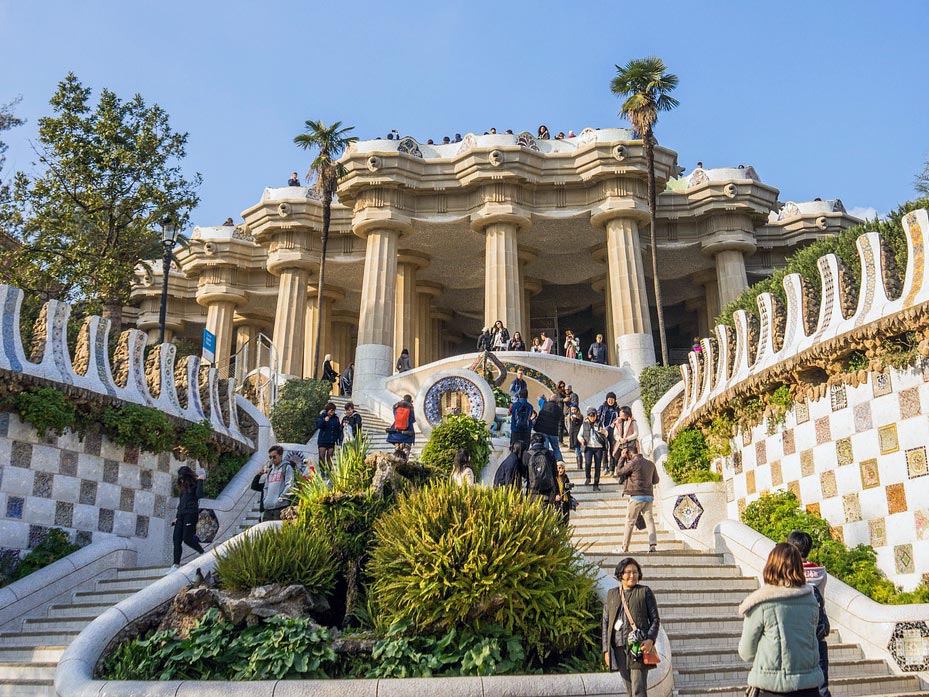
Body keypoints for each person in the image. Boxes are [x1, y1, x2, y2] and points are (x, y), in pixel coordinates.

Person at [739, 543, 824, 697]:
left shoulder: (762, 603)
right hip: (809, 687)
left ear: (771, 566)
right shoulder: (811, 600)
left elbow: (746, 652)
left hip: (772, 688)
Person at [602, 557, 661, 696]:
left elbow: (655, 619)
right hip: (619, 647)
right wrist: (606, 650)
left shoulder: (644, 592)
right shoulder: (612, 594)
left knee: (638, 689)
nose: (632, 576)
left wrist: (650, 639)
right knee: (629, 690)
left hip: (638, 648)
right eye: (628, 572)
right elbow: (605, 623)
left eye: (635, 572)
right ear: (620, 574)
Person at [787, 531, 832, 697]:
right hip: (817, 634)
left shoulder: (790, 573)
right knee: (821, 687)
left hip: (797, 635)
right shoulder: (821, 573)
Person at [616, 443, 659, 553]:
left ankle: (624, 547)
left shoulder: (632, 463)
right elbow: (656, 480)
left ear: (629, 453)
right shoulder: (650, 464)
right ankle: (652, 545)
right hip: (648, 496)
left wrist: (621, 457)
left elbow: (619, 472)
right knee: (649, 520)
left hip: (636, 496)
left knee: (630, 522)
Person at [171, 465, 205, 570]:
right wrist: (176, 517)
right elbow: (181, 503)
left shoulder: (195, 484)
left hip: (191, 514)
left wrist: (200, 481)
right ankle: (175, 564)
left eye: (183, 478)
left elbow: (199, 495)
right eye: (180, 478)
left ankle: (203, 553)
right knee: (176, 539)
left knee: (187, 538)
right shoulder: (183, 488)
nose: (181, 480)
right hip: (181, 515)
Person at [250, 445, 296, 521]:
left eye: (274, 457)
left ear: (280, 456)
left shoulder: (287, 467)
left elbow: (290, 484)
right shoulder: (270, 470)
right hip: (268, 508)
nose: (272, 459)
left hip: (281, 507)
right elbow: (265, 487)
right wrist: (265, 500)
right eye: (270, 457)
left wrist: (281, 499)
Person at [523, 433, 557, 501]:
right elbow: (554, 472)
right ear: (544, 442)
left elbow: (524, 473)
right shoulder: (550, 454)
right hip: (548, 490)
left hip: (532, 490)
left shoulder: (527, 454)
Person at [578, 406, 606, 490]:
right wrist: (581, 439)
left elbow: (606, 433)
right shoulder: (585, 424)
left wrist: (604, 432)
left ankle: (596, 484)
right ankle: (588, 477)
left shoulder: (600, 423)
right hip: (588, 446)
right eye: (590, 415)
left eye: (594, 415)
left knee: (598, 466)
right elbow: (579, 435)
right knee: (588, 463)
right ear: (588, 416)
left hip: (598, 447)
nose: (592, 417)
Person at [533, 395, 564, 462]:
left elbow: (538, 398)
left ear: (549, 399)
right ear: (557, 401)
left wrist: (542, 398)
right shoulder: (559, 410)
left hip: (543, 431)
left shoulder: (544, 404)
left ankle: (545, 463)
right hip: (553, 432)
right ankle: (560, 462)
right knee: (556, 449)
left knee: (545, 449)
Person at [612, 406, 639, 477]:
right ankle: (620, 475)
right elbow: (615, 434)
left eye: (622, 413)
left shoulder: (633, 422)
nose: (620, 414)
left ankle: (629, 476)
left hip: (630, 444)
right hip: (620, 444)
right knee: (618, 458)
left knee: (630, 461)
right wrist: (620, 439)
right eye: (620, 413)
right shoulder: (618, 422)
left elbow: (636, 433)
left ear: (626, 413)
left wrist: (627, 439)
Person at [598, 392, 620, 474]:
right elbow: (598, 417)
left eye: (612, 399)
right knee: (604, 449)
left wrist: (617, 421)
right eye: (609, 399)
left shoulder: (617, 409)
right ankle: (605, 467)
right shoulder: (602, 407)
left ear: (615, 400)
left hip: (613, 430)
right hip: (603, 430)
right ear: (606, 400)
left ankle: (612, 467)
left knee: (612, 449)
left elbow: (620, 418)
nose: (610, 401)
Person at [316, 402, 343, 467]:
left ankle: (329, 472)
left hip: (331, 441)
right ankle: (322, 471)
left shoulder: (336, 418)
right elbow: (319, 426)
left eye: (333, 410)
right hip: (323, 440)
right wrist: (324, 420)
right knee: (321, 457)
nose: (332, 412)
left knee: (330, 458)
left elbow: (338, 429)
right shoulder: (322, 416)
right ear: (328, 410)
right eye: (331, 410)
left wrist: (339, 439)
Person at [565, 403, 583, 470]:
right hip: (572, 434)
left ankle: (579, 465)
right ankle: (578, 464)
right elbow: (568, 425)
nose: (573, 411)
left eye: (575, 409)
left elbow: (579, 423)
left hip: (578, 434)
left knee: (578, 449)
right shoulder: (569, 416)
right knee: (576, 449)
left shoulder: (580, 416)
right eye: (572, 409)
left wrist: (575, 419)